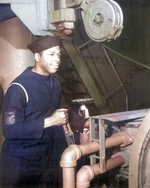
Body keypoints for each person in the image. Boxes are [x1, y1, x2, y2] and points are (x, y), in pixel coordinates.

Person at [0, 35, 89, 188]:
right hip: (21, 165)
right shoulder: (18, 88)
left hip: (46, 161)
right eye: (51, 54)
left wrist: (82, 121)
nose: (57, 59)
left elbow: (59, 111)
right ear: (37, 56)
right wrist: (50, 121)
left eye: (59, 54)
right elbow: (9, 130)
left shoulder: (54, 83)